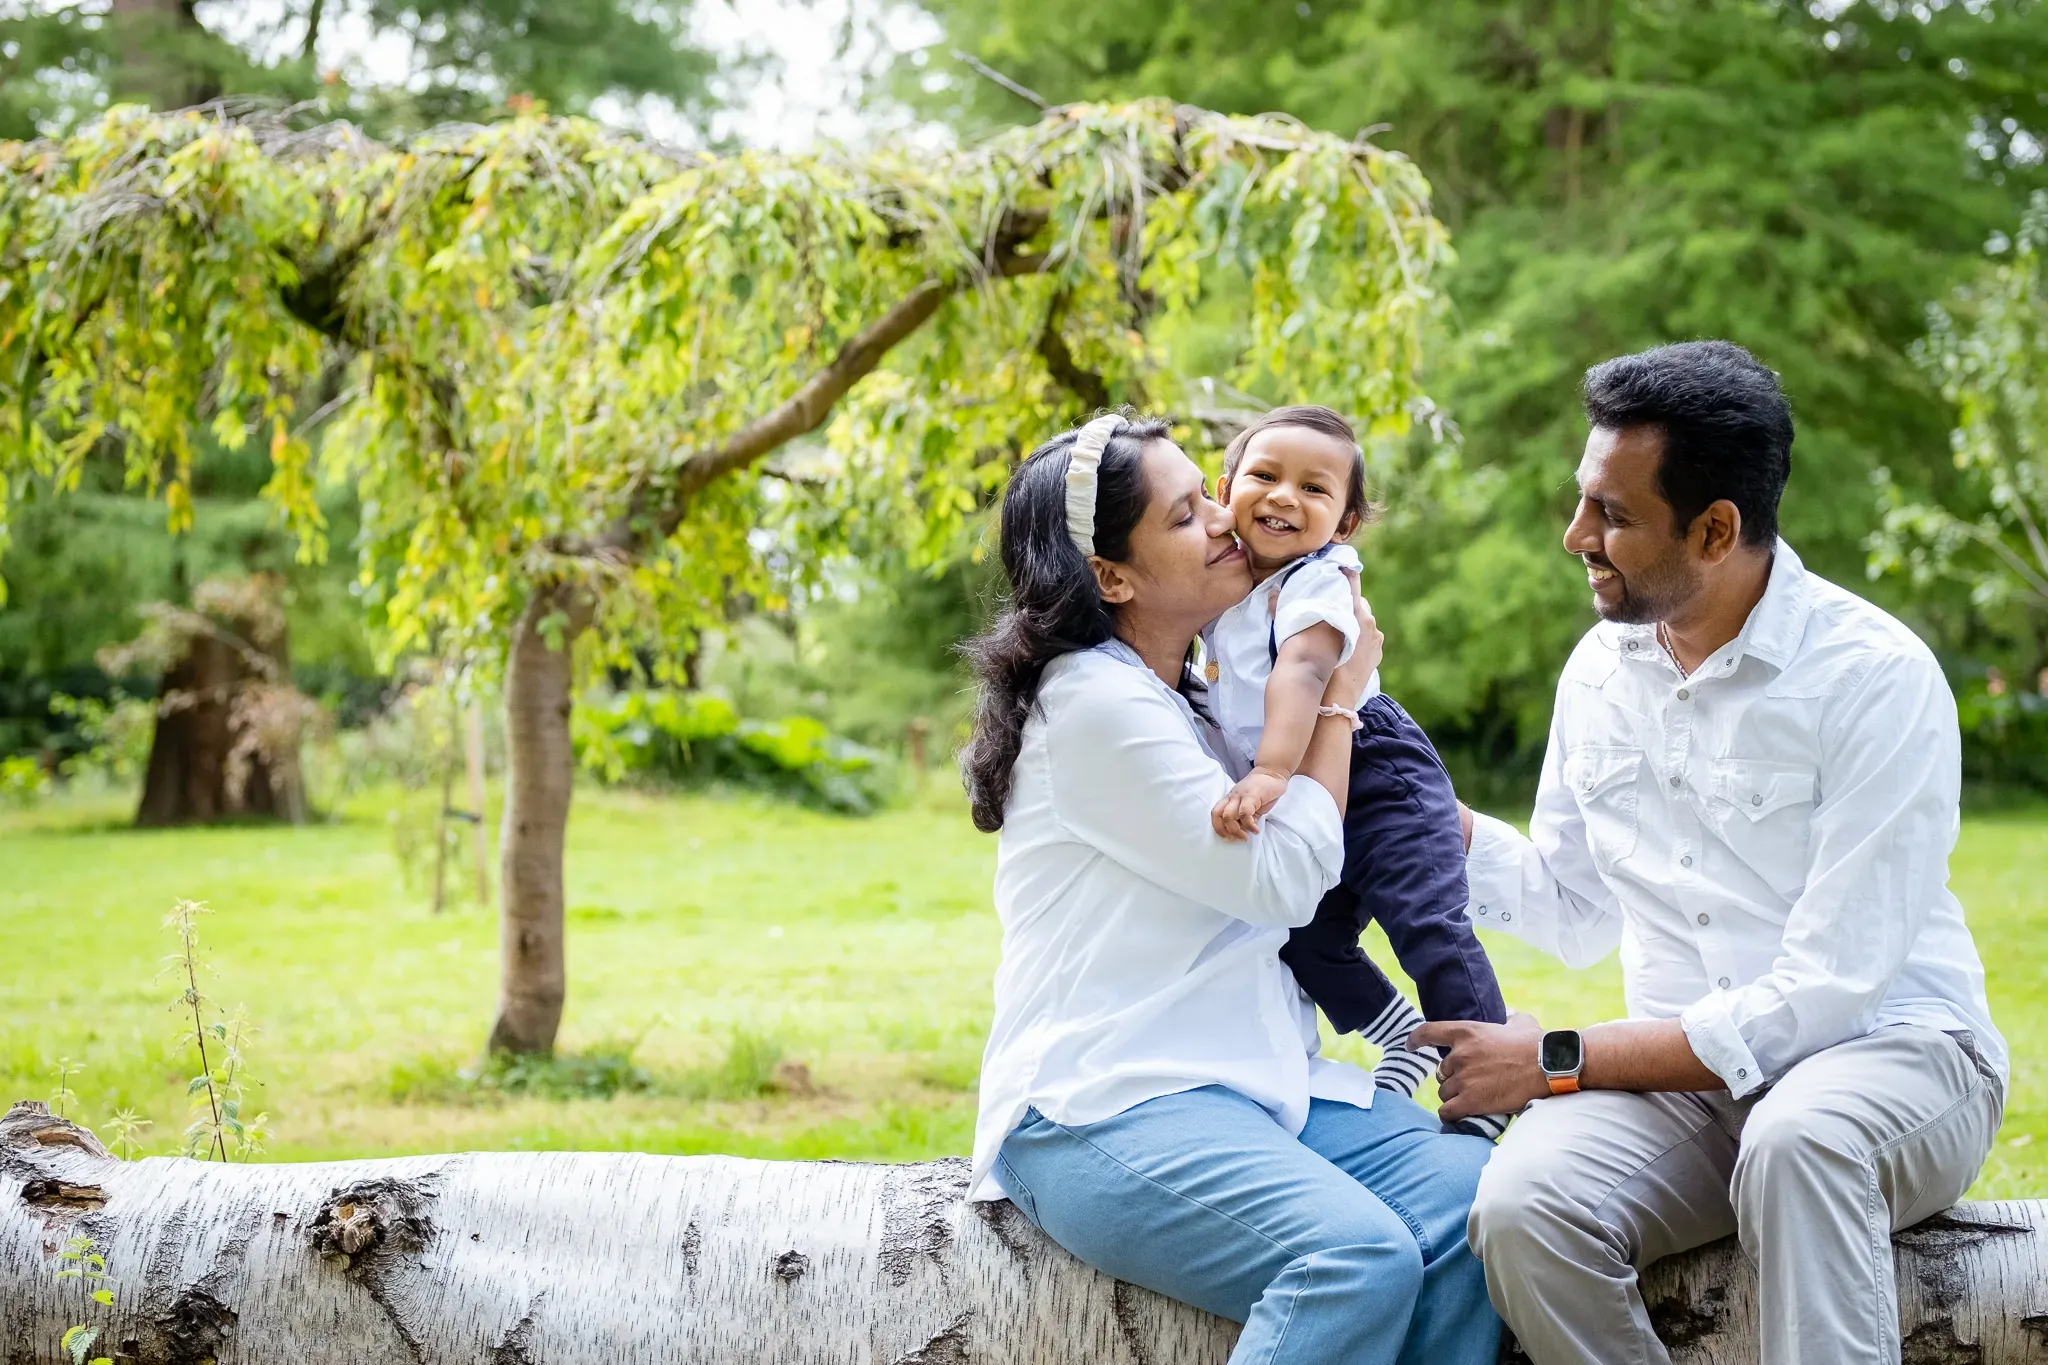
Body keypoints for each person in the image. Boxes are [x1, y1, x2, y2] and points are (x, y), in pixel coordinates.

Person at [1415, 341, 2007, 1365]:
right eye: (1580, 502)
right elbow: (1569, 907)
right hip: (1684, 1086)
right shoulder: (1598, 671)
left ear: (1714, 529)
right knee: (1520, 1209)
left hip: (1891, 1056)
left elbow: (1818, 998)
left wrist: (1556, 1058)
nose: (1573, 537)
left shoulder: (1871, 678)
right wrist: (1415, 814)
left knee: (1799, 1140)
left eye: (1610, 514)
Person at [960, 410, 1500, 1365]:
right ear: (1111, 577)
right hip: (1104, 1103)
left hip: (1255, 1081)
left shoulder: (1194, 692)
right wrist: (1340, 693)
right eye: (1183, 516)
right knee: (1353, 1255)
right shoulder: (1095, 706)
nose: (1223, 520)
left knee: (1474, 1205)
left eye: (1207, 494)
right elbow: (1287, 879)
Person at [1202, 405, 1510, 1139]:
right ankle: (1406, 1038)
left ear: (1343, 524)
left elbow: (1305, 668)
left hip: (1374, 769)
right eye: (1265, 476)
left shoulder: (1318, 576)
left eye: (1315, 490)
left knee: (1426, 923)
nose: (1283, 496)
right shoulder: (1223, 585)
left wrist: (1272, 769)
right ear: (1224, 489)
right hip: (1310, 785)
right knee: (1305, 939)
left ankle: (1490, 1082)